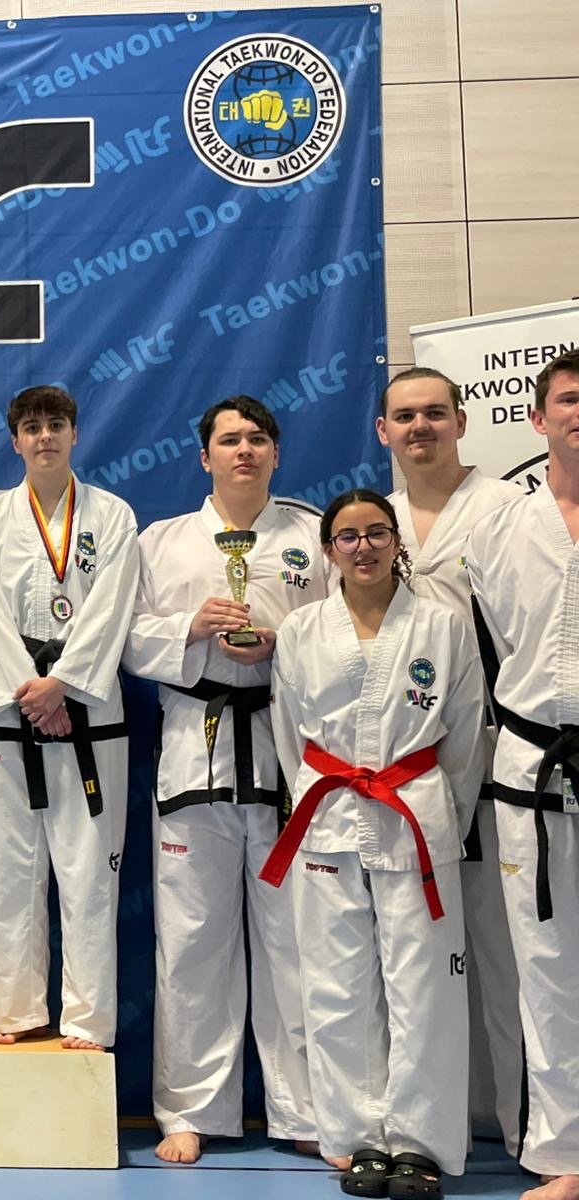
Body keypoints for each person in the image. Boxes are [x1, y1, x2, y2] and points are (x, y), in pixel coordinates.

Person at [122, 395, 324, 1163]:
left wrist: (284, 641)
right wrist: (190, 628)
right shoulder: (162, 541)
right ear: (203, 456)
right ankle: (189, 1109)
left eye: (258, 439)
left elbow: (348, 632)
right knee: (191, 939)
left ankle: (306, 1111)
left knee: (295, 939)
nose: (245, 450)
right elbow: (126, 639)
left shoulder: (313, 536)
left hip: (288, 749)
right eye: (230, 440)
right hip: (193, 747)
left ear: (277, 452)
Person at [265, 489, 481, 1197]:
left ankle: (419, 1144)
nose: (364, 547)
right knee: (336, 985)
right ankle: (357, 1139)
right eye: (348, 537)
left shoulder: (443, 627)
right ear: (329, 550)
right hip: (328, 814)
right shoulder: (301, 630)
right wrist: (319, 794)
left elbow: (465, 736)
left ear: (396, 542)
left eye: (377, 533)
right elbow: (289, 735)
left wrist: (442, 813)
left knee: (424, 987)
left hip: (415, 810)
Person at [0, 386, 137, 1051]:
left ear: (74, 434)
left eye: (55, 425)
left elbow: (113, 607)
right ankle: (18, 1011)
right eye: (31, 427)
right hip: (10, 718)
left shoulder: (112, 516)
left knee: (89, 874)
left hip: (87, 713)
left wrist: (62, 685)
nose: (44, 437)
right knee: (9, 871)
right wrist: (31, 696)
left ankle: (86, 1019)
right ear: (14, 440)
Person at [379, 367, 524, 1155]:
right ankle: (439, 1119)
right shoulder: (377, 523)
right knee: (420, 951)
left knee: (507, 946)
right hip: (401, 762)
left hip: (499, 749)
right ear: (384, 432)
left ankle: (524, 1120)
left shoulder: (508, 509)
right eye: (405, 416)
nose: (421, 427)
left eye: (435, 413)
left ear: (462, 422)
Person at [466, 349, 579, 1200]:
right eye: (568, 399)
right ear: (537, 419)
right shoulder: (501, 530)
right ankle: (564, 1154)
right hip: (534, 762)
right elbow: (501, 646)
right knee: (545, 966)